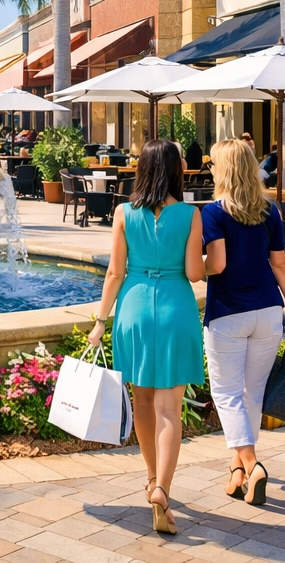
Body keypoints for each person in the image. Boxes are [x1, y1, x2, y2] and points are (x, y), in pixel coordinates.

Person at [87, 140, 204, 535]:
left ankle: (152, 478)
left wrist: (100, 320)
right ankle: (163, 491)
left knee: (143, 403)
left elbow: (114, 274)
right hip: (175, 309)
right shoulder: (191, 215)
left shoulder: (123, 213)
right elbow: (193, 273)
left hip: (133, 310)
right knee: (170, 409)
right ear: (173, 170)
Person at [200, 140, 285, 506]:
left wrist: (191, 272)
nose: (210, 168)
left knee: (227, 395)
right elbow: (280, 265)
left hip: (229, 312)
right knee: (251, 394)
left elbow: (217, 265)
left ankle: (253, 464)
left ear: (223, 169)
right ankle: (237, 472)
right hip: (267, 312)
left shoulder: (212, 212)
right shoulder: (270, 212)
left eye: (213, 163)